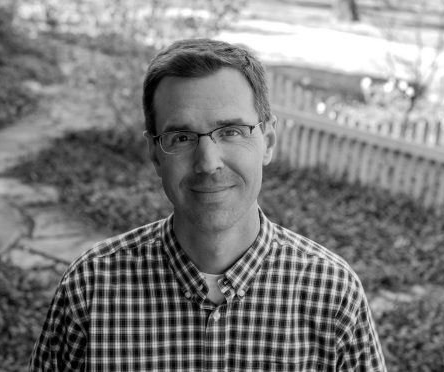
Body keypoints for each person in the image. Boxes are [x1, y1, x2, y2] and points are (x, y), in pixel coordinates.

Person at [30, 38, 386, 371]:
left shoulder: (332, 293)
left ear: (269, 141)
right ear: (155, 153)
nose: (208, 162)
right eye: (181, 137)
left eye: (231, 131)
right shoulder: (90, 289)